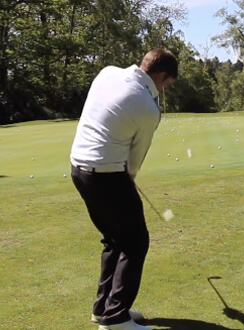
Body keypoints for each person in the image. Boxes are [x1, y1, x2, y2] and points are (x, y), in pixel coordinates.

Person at [70, 49, 178, 330]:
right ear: (161, 75)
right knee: (135, 242)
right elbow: (136, 157)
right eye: (166, 84)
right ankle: (116, 318)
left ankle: (103, 308)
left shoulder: (108, 72)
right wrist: (128, 177)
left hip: (78, 169)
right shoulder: (147, 106)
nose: (163, 89)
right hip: (107, 176)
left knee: (114, 239)